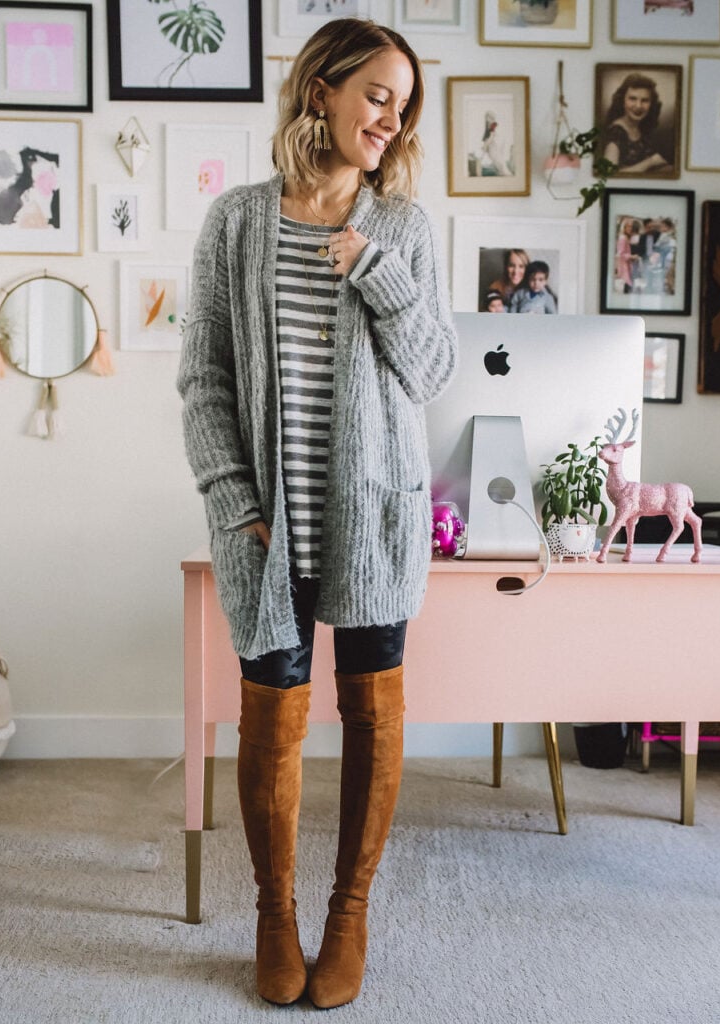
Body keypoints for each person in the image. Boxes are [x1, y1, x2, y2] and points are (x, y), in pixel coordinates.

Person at [177, 18, 456, 1010]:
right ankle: (272, 911)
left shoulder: (407, 229)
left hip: (375, 511)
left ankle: (348, 911)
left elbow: (432, 371)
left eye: (403, 101)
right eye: (378, 92)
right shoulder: (238, 223)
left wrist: (375, 268)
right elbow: (203, 377)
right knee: (272, 712)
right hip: (266, 524)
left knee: (373, 709)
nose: (392, 114)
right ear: (324, 89)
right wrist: (232, 494)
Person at [601, 72, 670, 175]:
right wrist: (651, 162)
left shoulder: (643, 127)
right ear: (622, 101)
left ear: (652, 104)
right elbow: (608, 174)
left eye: (645, 100)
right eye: (632, 99)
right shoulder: (616, 132)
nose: (638, 106)